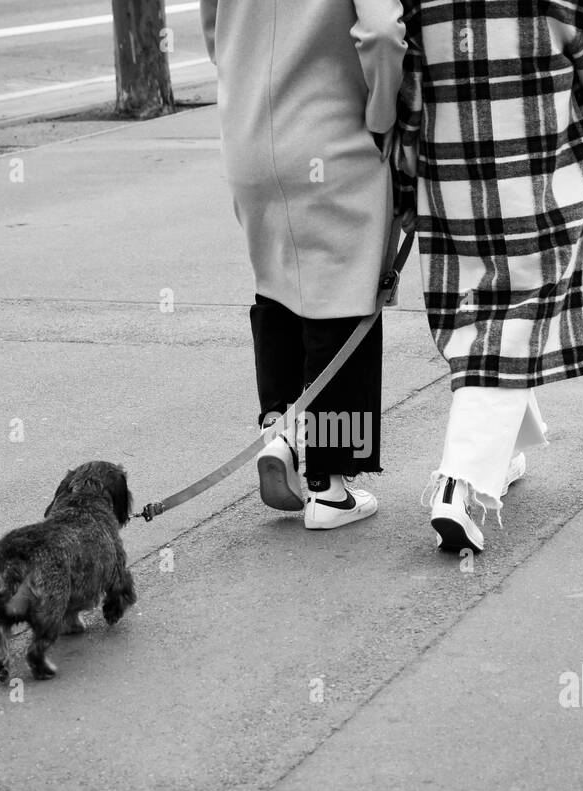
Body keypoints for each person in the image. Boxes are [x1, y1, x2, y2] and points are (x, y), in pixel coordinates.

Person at [394, 0, 583, 552]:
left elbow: (408, 96)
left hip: (451, 186)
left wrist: (402, 185)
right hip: (542, 184)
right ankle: (459, 482)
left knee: (486, 316)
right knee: (515, 323)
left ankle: (505, 451)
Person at [201, 0, 407, 530]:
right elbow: (383, 32)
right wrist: (383, 114)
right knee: (344, 292)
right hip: (329, 133)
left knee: (277, 282)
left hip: (249, 135)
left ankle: (283, 432)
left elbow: (211, 26)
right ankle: (329, 485)